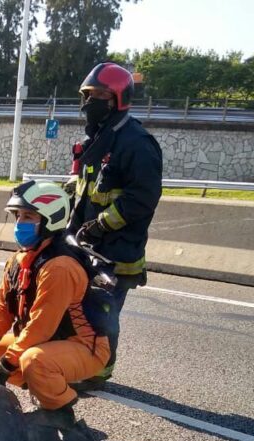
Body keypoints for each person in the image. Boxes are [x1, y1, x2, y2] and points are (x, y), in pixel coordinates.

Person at [0, 180, 112, 428]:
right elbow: (2, 306)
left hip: (84, 347)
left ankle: (62, 416)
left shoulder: (60, 267)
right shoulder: (20, 260)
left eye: (29, 216)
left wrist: (5, 367)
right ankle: (41, 389)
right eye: (18, 216)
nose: (20, 224)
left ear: (51, 219)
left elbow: (41, 326)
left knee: (33, 362)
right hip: (45, 341)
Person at [68, 61, 162, 384]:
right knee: (81, 308)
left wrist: (102, 224)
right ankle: (81, 361)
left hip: (118, 253)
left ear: (116, 98)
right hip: (89, 247)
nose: (88, 103)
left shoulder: (137, 143)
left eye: (96, 95)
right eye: (87, 95)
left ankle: (98, 371)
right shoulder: (99, 139)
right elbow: (85, 189)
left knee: (103, 313)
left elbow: (142, 197)